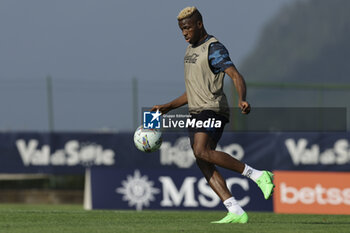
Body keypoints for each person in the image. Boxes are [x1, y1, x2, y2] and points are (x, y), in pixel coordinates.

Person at [151, 6, 274, 224]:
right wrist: (169, 106)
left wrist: (242, 98)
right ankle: (234, 209)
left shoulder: (213, 48)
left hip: (212, 108)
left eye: (187, 28)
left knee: (201, 150)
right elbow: (193, 90)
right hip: (196, 110)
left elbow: (235, 75)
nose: (184, 33)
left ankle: (257, 175)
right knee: (202, 159)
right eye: (181, 30)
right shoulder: (190, 50)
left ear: (199, 24)